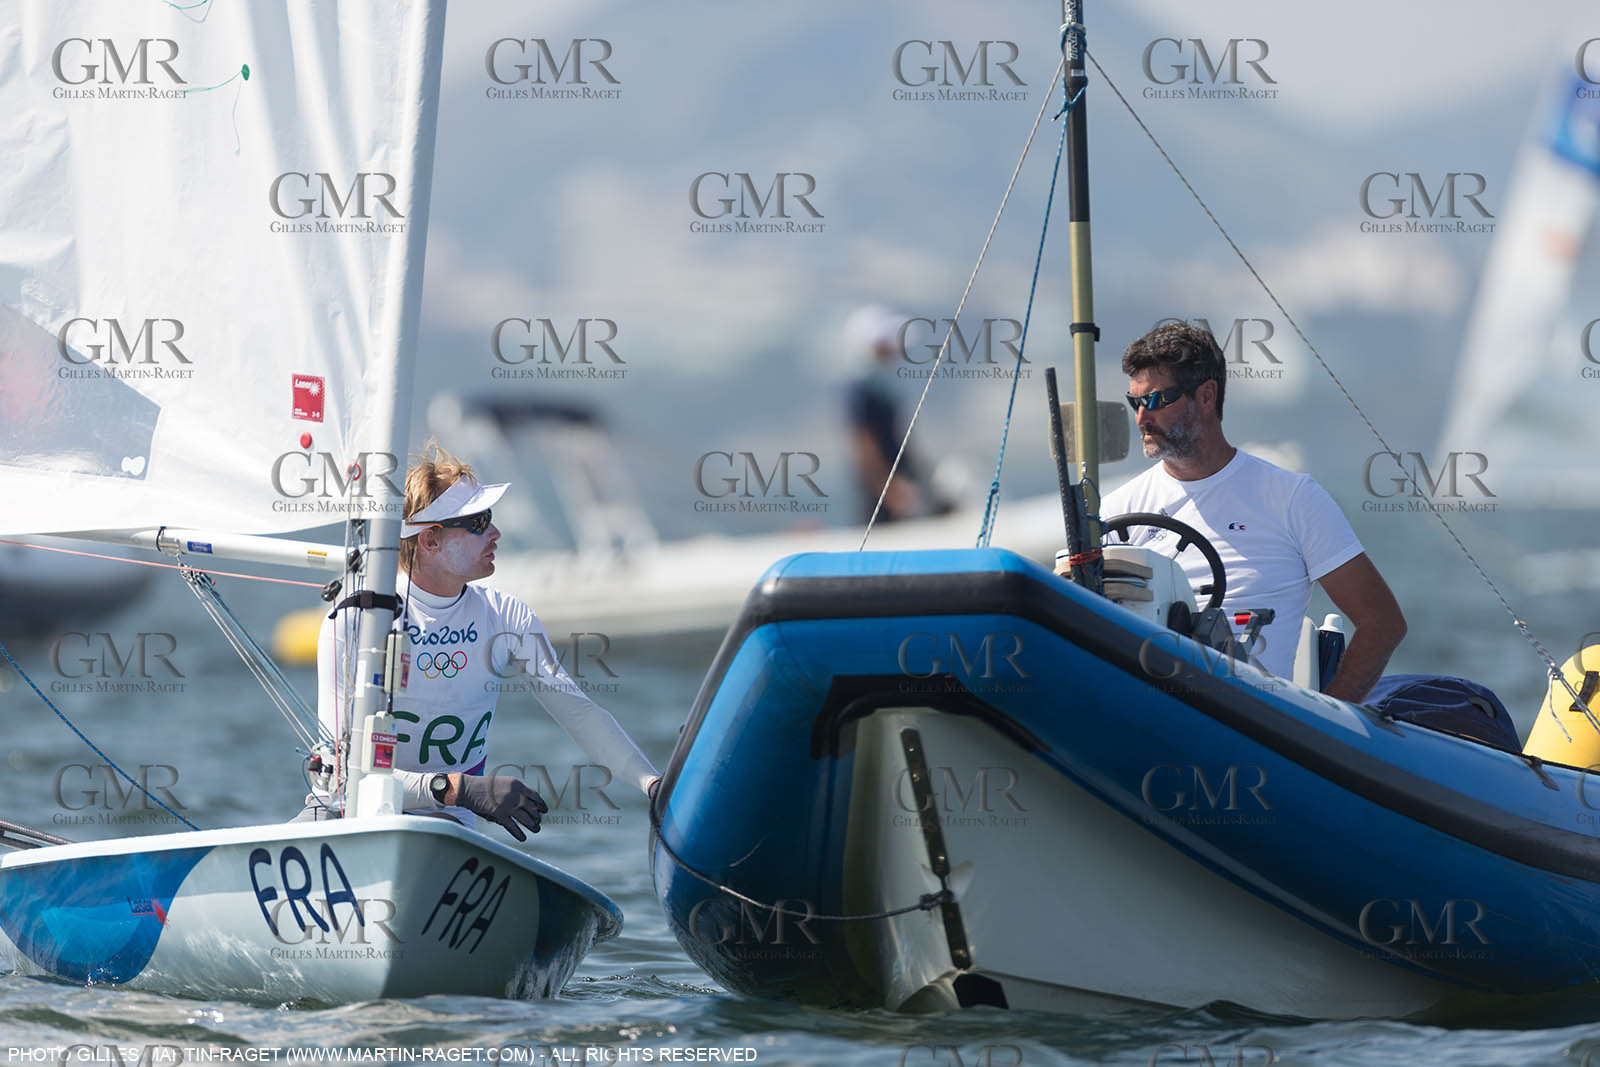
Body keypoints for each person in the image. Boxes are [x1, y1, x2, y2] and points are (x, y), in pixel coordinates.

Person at [299, 442, 659, 838]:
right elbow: (339, 777)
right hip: (340, 819)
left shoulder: (506, 617)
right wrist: (459, 789)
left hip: (443, 829)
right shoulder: (355, 618)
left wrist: (652, 784)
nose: (495, 533)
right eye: (478, 522)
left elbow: (579, 714)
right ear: (429, 541)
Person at [1099, 322, 1405, 702]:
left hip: (1253, 715)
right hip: (1146, 703)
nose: (1142, 418)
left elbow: (1382, 623)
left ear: (1206, 396)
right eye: (1136, 403)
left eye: (1157, 400)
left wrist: (1320, 721)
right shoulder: (1118, 510)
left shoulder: (1294, 499)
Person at [845, 305, 936, 523]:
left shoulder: (881, 386)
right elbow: (863, 447)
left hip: (901, 485)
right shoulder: (861, 390)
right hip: (884, 496)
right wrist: (891, 490)